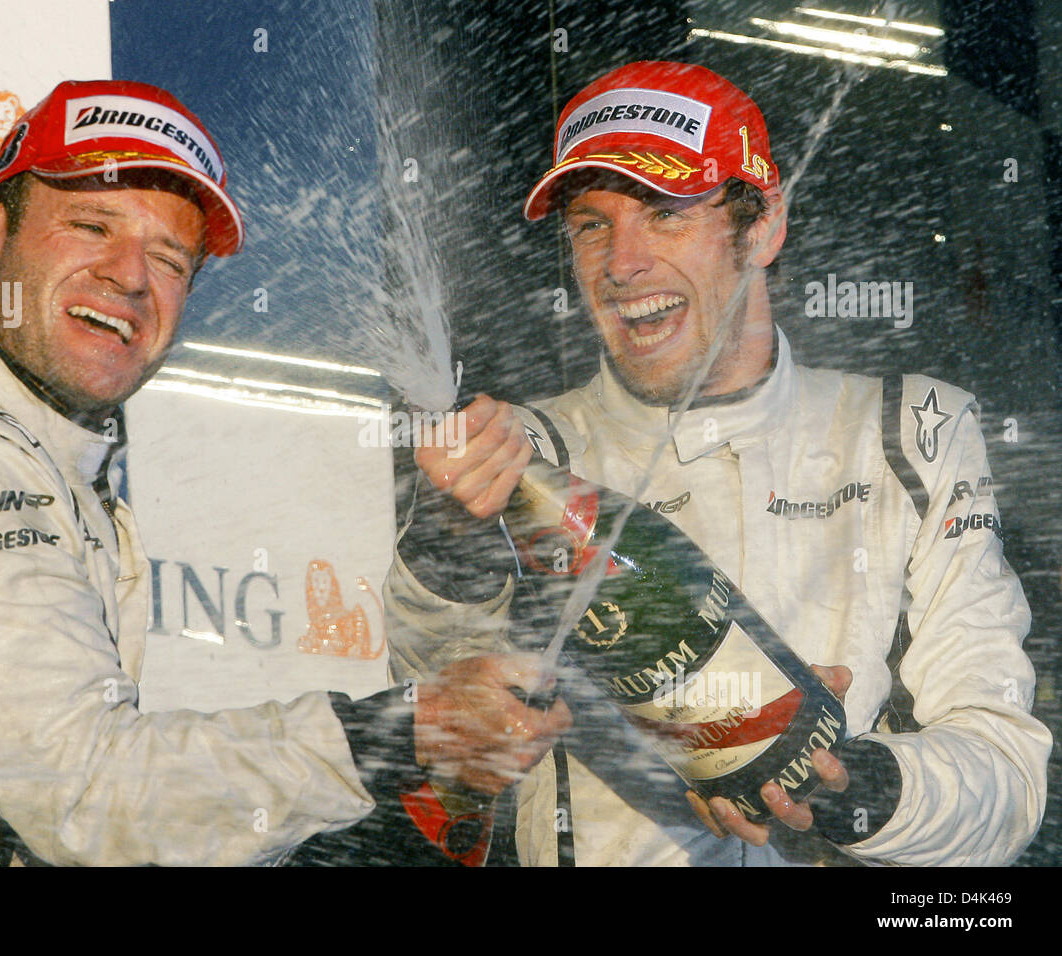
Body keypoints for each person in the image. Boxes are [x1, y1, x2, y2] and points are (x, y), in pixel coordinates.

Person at [0, 79, 569, 866]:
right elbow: (86, 795)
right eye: (90, 226)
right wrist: (408, 730)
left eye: (170, 257)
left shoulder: (36, 444)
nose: (130, 276)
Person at [385, 61, 1051, 865]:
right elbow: (453, 737)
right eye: (592, 224)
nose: (621, 262)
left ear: (764, 224)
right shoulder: (527, 452)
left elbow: (1007, 785)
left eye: (666, 212)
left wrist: (848, 785)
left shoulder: (907, 433)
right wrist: (442, 555)